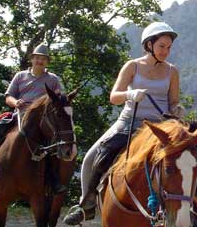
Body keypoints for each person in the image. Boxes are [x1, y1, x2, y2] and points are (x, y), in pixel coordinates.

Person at [64, 21, 183, 225]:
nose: (166, 51)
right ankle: (87, 204)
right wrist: (130, 93)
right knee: (92, 157)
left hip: (159, 126)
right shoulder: (133, 66)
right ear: (149, 44)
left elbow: (173, 103)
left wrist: (178, 109)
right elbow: (114, 96)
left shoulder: (172, 71)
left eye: (169, 47)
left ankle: (188, 208)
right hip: (129, 121)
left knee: (188, 157)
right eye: (162, 46)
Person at [0, 44, 65, 193]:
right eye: (37, 58)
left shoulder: (53, 79)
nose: (40, 61)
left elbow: (60, 99)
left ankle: (54, 179)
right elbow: (8, 97)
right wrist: (15, 102)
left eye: (43, 59)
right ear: (32, 59)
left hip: (41, 120)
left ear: (47, 62)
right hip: (20, 114)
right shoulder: (20, 76)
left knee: (53, 145)